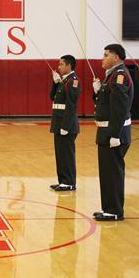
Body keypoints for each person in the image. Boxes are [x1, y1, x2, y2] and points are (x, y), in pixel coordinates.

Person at [91, 44, 134, 222]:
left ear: (116, 57)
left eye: (106, 55)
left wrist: (115, 134)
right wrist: (97, 92)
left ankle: (114, 210)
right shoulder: (112, 76)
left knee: (113, 173)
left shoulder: (119, 75)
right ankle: (109, 208)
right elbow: (107, 102)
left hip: (113, 133)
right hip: (106, 132)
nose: (102, 58)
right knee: (107, 173)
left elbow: (120, 107)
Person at [49, 55, 80, 191]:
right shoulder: (64, 81)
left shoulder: (73, 81)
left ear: (69, 65)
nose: (59, 67)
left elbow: (71, 105)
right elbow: (52, 97)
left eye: (61, 64)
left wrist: (65, 126)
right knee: (60, 154)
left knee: (67, 155)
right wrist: (55, 83)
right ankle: (63, 181)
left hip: (66, 125)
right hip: (58, 123)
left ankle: (69, 182)